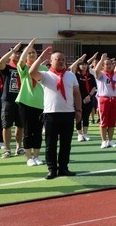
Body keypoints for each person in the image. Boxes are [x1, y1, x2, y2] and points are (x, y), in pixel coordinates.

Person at [29, 47, 82, 179]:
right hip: (51, 114)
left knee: (66, 144)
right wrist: (40, 58)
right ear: (51, 61)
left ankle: (63, 168)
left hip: (68, 114)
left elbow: (77, 94)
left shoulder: (71, 75)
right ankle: (52, 169)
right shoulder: (46, 75)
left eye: (63, 59)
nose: (61, 62)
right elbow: (31, 72)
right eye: (58, 59)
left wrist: (79, 110)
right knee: (50, 144)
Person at [16, 39, 48, 166]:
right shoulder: (24, 68)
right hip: (25, 103)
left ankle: (36, 156)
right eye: (29, 53)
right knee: (28, 131)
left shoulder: (44, 68)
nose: (31, 54)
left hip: (40, 104)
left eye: (33, 52)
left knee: (38, 131)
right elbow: (20, 61)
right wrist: (29, 46)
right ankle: (29, 157)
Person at [0, 42, 24, 158]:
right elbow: (1, 62)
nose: (17, 55)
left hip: (21, 100)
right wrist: (12, 51)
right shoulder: (7, 68)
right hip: (8, 99)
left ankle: (19, 147)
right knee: (6, 125)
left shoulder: (23, 68)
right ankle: (7, 149)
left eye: (19, 53)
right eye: (15, 53)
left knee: (20, 125)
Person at [94, 54, 116, 149]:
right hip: (104, 99)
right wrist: (101, 60)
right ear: (103, 66)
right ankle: (103, 141)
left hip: (114, 99)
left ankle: (110, 140)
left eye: (110, 64)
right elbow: (96, 71)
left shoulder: (115, 76)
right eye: (107, 64)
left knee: (112, 121)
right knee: (104, 121)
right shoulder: (101, 75)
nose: (109, 66)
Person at [75, 58, 97, 142]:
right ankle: (79, 134)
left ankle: (85, 133)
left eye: (85, 64)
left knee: (86, 117)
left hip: (89, 98)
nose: (83, 66)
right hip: (79, 99)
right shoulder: (76, 75)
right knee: (78, 116)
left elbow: (94, 87)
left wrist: (89, 96)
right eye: (81, 64)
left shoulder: (90, 76)